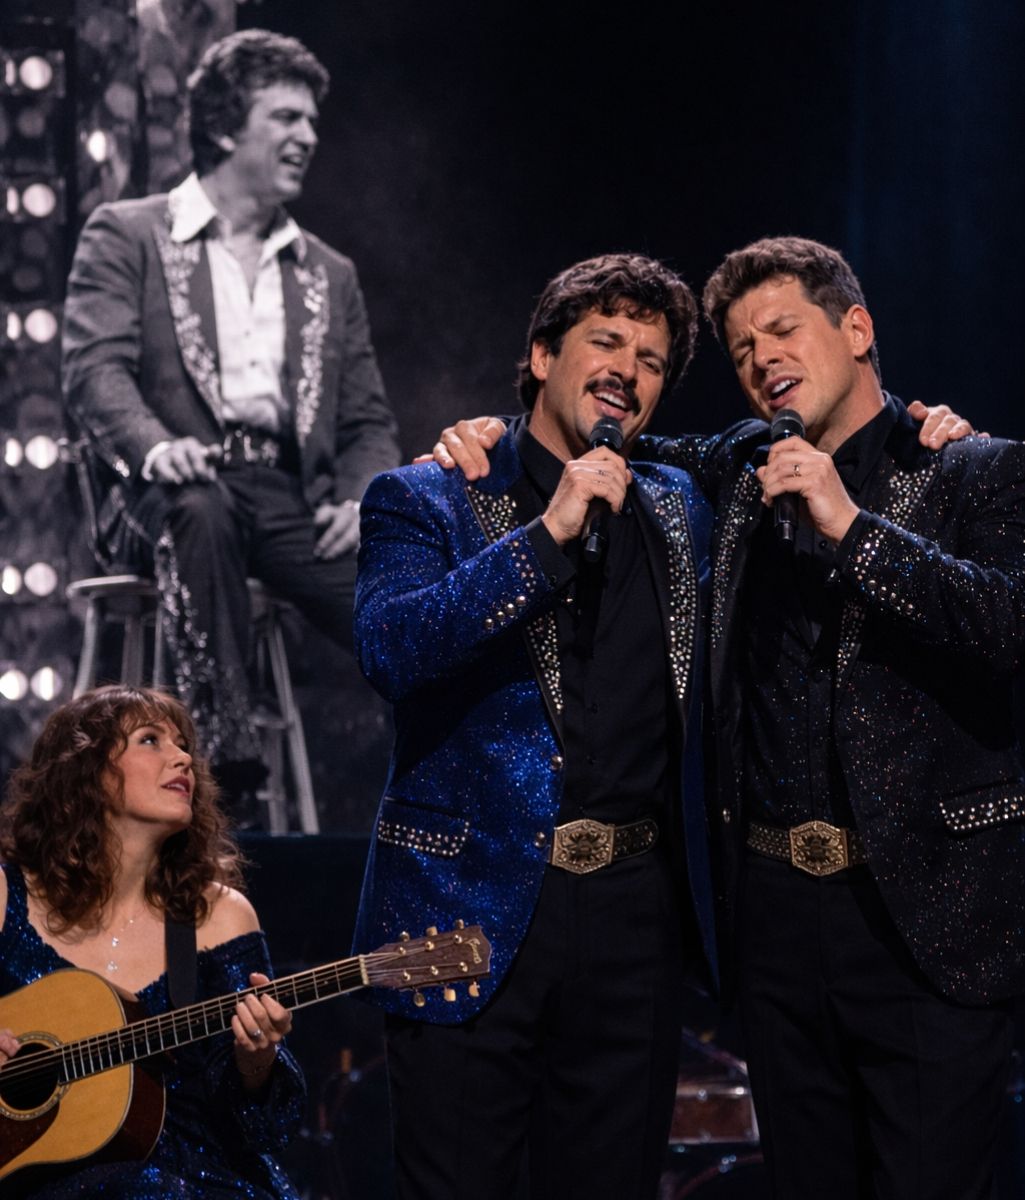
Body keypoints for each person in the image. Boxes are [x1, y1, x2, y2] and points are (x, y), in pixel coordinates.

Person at [434, 236, 1025, 1199]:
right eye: (743, 349)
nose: (762, 359)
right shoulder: (737, 471)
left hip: (928, 921)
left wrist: (852, 529)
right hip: (777, 925)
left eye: (782, 329)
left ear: (857, 329)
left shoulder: (971, 468)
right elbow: (593, 433)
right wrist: (491, 436)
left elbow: (1006, 625)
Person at [351, 253, 718, 1199]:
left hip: (631, 923)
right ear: (543, 356)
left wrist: (924, 425)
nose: (625, 369)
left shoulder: (677, 503)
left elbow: (774, 444)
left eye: (649, 359)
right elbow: (390, 648)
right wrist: (544, 537)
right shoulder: (425, 494)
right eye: (605, 341)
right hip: (459, 912)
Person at [61, 29, 400, 788]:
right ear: (223, 127)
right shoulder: (127, 233)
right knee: (201, 509)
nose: (307, 136)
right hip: (160, 493)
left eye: (311, 121)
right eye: (285, 117)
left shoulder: (329, 273)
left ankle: (445, 780)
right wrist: (156, 445)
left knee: (400, 591)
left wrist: (359, 498)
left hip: (285, 500)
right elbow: (93, 371)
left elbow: (366, 421)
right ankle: (224, 768)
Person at [0, 685, 304, 1198]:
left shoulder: (219, 916)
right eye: (150, 740)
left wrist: (257, 1061)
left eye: (183, 745)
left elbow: (263, 1129)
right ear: (86, 771)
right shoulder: (6, 896)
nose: (182, 758)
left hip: (198, 1174)